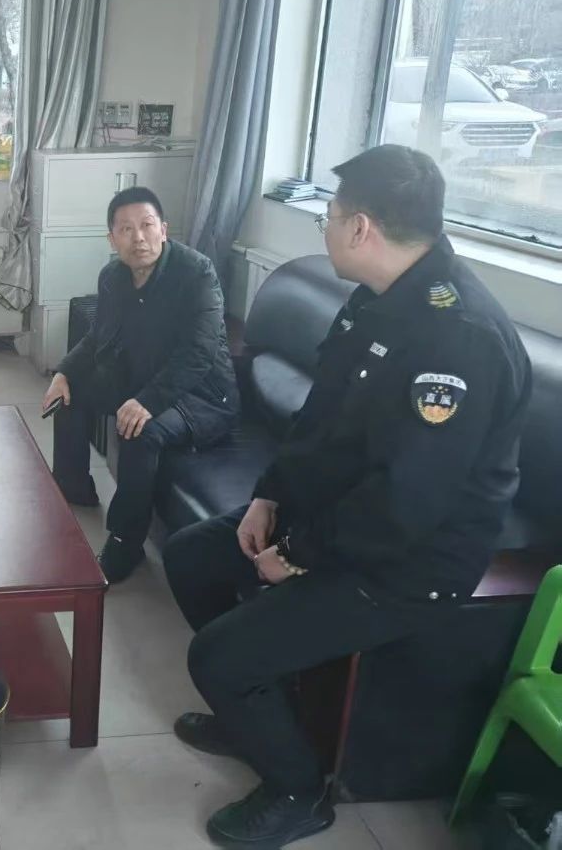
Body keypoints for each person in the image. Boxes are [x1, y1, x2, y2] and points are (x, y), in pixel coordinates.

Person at [162, 145, 532, 848]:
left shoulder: (458, 340)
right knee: (191, 557)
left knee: (215, 657)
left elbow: (407, 502)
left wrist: (299, 552)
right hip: (335, 517)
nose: (324, 228)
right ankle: (259, 711)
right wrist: (269, 497)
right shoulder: (375, 300)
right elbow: (320, 419)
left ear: (360, 227)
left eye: (327, 216)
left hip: (409, 563)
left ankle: (297, 791)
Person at [44, 186, 236, 583]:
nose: (139, 238)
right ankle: (73, 487)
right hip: (141, 380)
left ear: (163, 229)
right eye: (126, 229)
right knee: (69, 397)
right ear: (112, 239)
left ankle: (125, 542)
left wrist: (146, 401)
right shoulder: (113, 277)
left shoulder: (196, 273)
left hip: (200, 396)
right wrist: (64, 372)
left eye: (147, 226)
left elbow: (198, 356)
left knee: (139, 429)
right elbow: (97, 337)